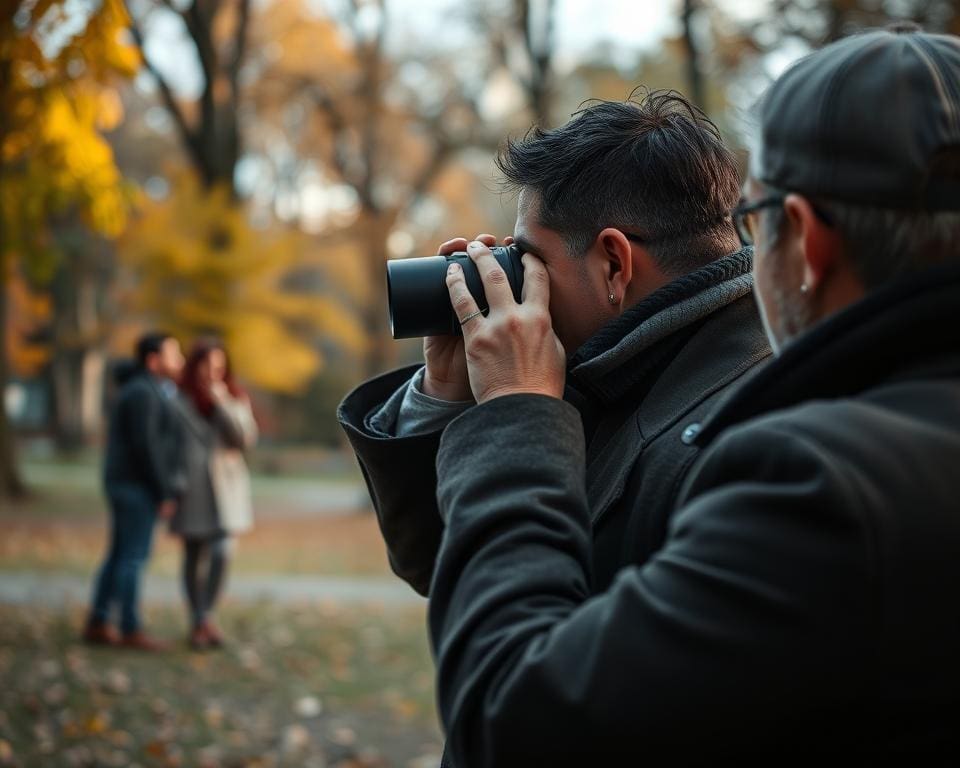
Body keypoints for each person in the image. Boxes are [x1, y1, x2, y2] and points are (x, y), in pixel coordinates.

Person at [422, 23, 960, 765]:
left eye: (756, 222)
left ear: (803, 238)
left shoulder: (812, 482)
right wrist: (451, 404)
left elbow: (516, 721)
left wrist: (518, 416)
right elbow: (472, 577)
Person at [339, 89, 771, 600]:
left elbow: (534, 649)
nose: (515, 278)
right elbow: (436, 567)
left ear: (614, 264)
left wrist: (518, 409)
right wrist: (443, 397)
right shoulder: (620, 370)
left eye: (529, 257)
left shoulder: (738, 426)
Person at [84, 331, 185, 650]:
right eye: (173, 354)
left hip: (126, 483)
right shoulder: (144, 392)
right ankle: (130, 628)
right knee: (132, 557)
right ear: (153, 360)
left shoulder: (145, 389)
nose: (179, 360)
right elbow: (147, 447)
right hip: (135, 486)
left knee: (119, 554)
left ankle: (99, 621)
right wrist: (164, 492)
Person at [171, 339, 257, 650]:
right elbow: (168, 445)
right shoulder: (178, 400)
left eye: (218, 367)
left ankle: (205, 616)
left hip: (227, 489)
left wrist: (222, 403)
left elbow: (246, 439)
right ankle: (199, 622)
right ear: (194, 367)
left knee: (222, 552)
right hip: (191, 490)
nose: (212, 373)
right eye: (206, 366)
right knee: (194, 558)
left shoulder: (235, 397)